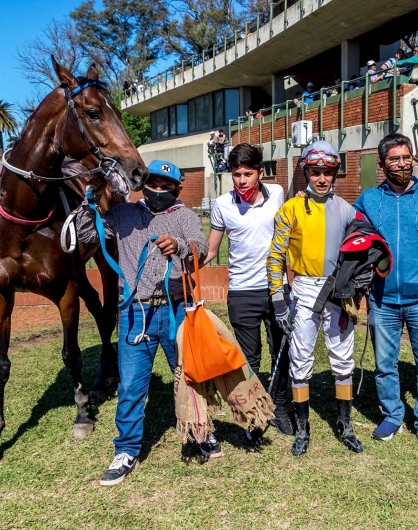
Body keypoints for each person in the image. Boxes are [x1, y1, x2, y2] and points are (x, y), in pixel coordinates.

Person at [74, 160, 208, 486]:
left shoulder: (184, 217)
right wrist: (88, 199)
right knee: (131, 385)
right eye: (154, 184)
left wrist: (179, 246)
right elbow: (85, 232)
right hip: (135, 312)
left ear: (177, 188)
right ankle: (126, 450)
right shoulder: (122, 214)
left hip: (177, 309)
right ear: (143, 184)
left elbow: (201, 249)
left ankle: (200, 432)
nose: (158, 191)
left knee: (189, 377)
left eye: (166, 186)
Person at [354, 133, 418, 453]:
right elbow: (352, 234)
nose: (403, 163)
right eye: (395, 159)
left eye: (406, 157)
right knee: (385, 364)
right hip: (382, 299)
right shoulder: (369, 199)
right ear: (382, 164)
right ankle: (392, 415)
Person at [267, 140, 364, 457]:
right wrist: (278, 298)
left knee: (342, 358)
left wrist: (359, 280)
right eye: (315, 172)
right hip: (304, 289)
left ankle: (345, 426)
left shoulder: (348, 209)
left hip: (338, 290)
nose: (321, 178)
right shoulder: (290, 209)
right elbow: (275, 256)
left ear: (335, 172)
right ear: (306, 172)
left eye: (327, 172)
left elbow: (367, 245)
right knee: (301, 358)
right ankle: (302, 430)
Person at [204, 143, 294, 446]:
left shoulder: (278, 194)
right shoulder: (222, 204)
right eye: (236, 174)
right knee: (249, 360)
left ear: (260, 172)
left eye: (247, 173)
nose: (241, 180)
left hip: (276, 289)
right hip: (241, 293)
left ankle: (280, 407)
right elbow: (211, 250)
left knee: (282, 352)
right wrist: (183, 264)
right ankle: (256, 413)